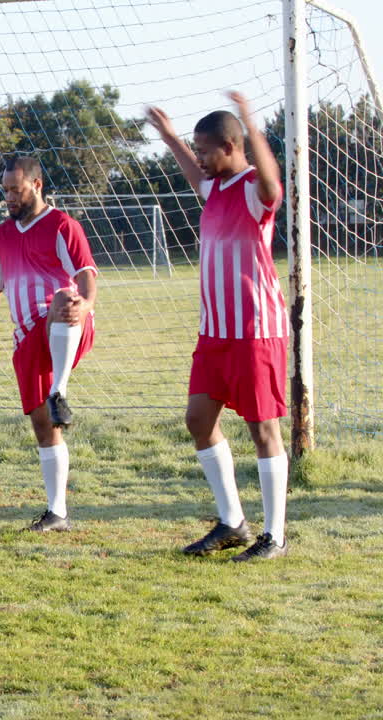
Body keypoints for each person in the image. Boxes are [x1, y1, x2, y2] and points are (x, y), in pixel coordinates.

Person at [147, 93, 290, 561]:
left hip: (255, 331)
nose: (200, 158)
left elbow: (273, 186)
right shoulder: (215, 188)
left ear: (231, 146)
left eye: (206, 149)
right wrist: (170, 137)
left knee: (261, 429)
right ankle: (233, 523)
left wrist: (251, 123)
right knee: (198, 421)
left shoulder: (252, 188)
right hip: (215, 333)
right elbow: (194, 173)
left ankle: (275, 536)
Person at [0, 155, 99, 532]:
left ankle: (60, 390)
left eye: (16, 190)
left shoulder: (62, 225)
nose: (9, 197)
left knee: (63, 299)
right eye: (5, 191)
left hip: (67, 324)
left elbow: (85, 275)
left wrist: (87, 305)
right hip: (26, 338)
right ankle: (58, 513)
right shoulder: (2, 235)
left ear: (37, 185)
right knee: (43, 425)